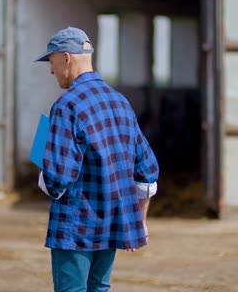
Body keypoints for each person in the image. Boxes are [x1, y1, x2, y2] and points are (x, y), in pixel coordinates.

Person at [34, 27, 159, 292]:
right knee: (99, 288)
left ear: (66, 58)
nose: (51, 70)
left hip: (75, 225)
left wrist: (42, 162)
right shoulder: (120, 102)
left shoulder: (67, 105)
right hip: (111, 222)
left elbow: (58, 179)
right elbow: (147, 170)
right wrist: (141, 220)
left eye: (52, 61)